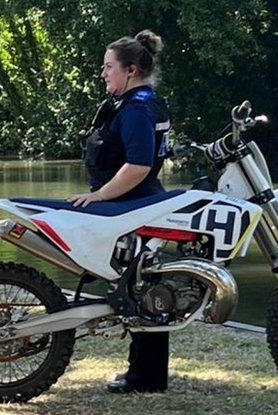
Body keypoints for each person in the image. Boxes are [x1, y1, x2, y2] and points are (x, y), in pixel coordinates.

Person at [67, 30, 172, 393]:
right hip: (142, 202)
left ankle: (145, 376)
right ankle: (146, 373)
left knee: (140, 287)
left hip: (134, 205)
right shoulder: (144, 102)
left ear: (130, 70)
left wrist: (99, 197)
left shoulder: (137, 109)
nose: (103, 73)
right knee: (141, 283)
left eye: (108, 66)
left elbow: (139, 166)